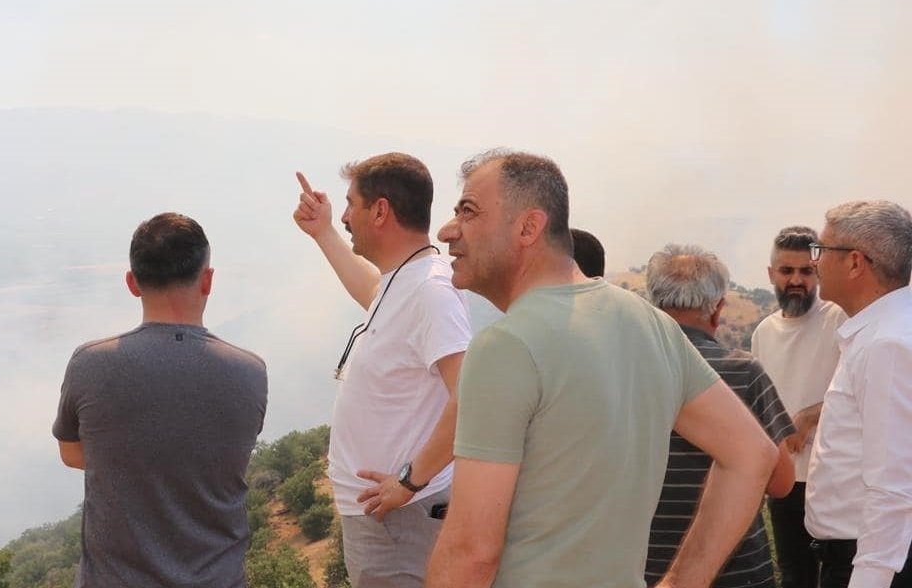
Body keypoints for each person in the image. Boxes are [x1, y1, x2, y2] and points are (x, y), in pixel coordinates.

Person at [424, 148, 778, 588]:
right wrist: (683, 582)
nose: (448, 229)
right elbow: (752, 454)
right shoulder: (649, 323)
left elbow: (470, 553)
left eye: (468, 211)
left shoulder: (505, 347)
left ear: (528, 227)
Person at [292, 152, 491, 587]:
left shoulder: (430, 290)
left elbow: (473, 396)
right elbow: (373, 292)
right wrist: (324, 233)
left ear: (380, 210)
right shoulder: (406, 279)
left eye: (350, 205)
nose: (344, 216)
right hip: (388, 520)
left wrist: (409, 482)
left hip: (400, 521)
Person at [52, 212, 268, 588]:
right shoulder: (250, 371)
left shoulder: (90, 363)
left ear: (132, 283)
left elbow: (72, 453)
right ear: (208, 280)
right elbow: (226, 456)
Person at [644, 243, 798, 588]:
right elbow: (780, 482)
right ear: (717, 309)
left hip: (644, 570)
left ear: (651, 305)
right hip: (737, 571)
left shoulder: (624, 368)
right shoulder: (742, 371)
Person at [806, 200, 912, 588]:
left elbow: (893, 483)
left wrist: (869, 579)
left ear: (855, 263)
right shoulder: (885, 332)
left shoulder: (887, 343)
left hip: (873, 563)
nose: (815, 263)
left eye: (821, 250)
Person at [751, 225, 848, 588]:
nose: (796, 280)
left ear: (818, 271)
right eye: (787, 271)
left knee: (839, 574)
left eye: (806, 271)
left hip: (834, 480)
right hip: (784, 481)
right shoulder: (763, 332)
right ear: (771, 274)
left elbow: (860, 392)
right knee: (794, 575)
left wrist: (809, 417)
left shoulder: (840, 320)